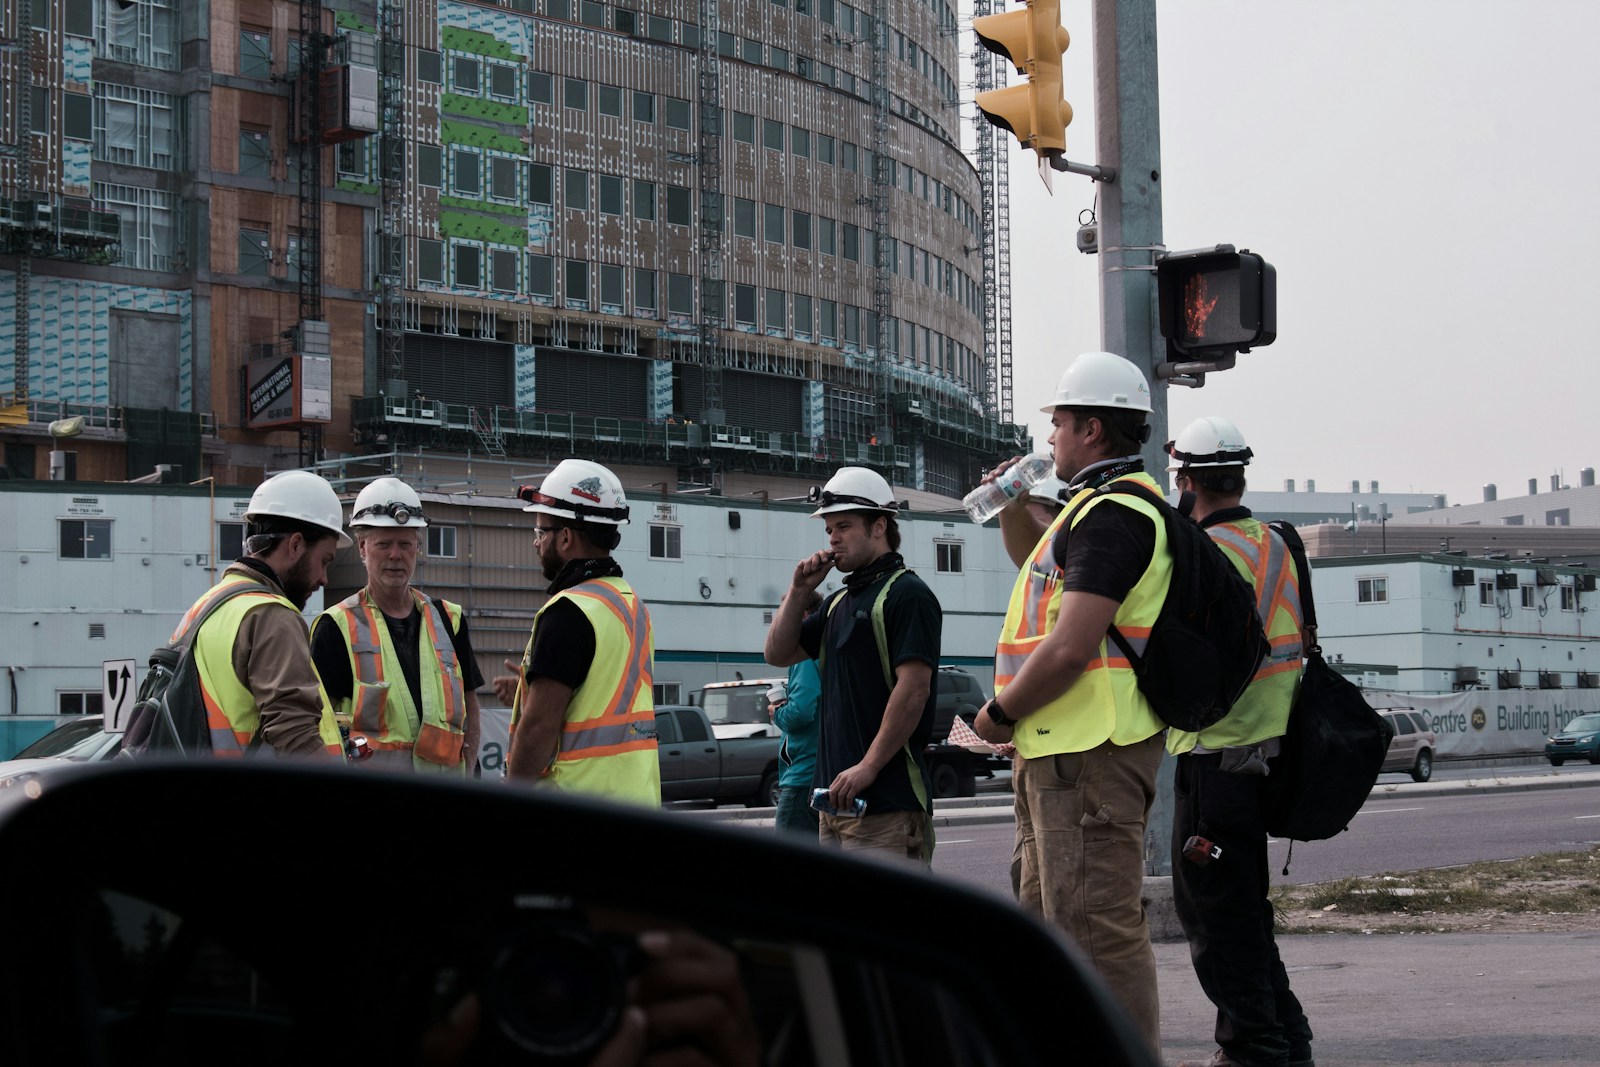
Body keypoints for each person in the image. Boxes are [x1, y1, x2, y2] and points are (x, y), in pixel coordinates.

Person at [972, 351, 1169, 1053]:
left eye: (1057, 423)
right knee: (1054, 921)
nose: (1048, 437)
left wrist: (996, 714)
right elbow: (1034, 564)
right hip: (1061, 746)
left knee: (1096, 930)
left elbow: (1069, 647)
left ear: (1090, 429)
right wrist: (1013, 504)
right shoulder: (1084, 510)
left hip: (1090, 748)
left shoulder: (1115, 515)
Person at [1164, 417, 1314, 1067]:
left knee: (1216, 920)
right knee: (1245, 913)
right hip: (1268, 756)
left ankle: (1256, 1048)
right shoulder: (1278, 541)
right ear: (1241, 474)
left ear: (1188, 481)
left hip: (1216, 755)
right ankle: (1287, 1038)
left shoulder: (1201, 552)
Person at [764, 466, 942, 865]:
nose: (833, 538)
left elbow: (914, 689)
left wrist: (868, 766)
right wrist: (797, 592)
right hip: (834, 803)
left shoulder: (907, 594)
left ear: (879, 525)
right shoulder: (838, 604)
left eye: (843, 526)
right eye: (828, 530)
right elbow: (777, 652)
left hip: (886, 801)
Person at [491, 459, 659, 805]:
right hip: (638, 802)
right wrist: (528, 689)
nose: (536, 544)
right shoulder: (630, 604)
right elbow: (598, 697)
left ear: (565, 538)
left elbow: (539, 728)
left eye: (540, 533)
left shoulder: (568, 612)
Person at [311, 477, 484, 774]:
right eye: (384, 544)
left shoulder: (448, 620)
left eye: (405, 544)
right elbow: (320, 724)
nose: (395, 555)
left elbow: (471, 707)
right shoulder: (336, 627)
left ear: (417, 547)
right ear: (363, 548)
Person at [179, 469, 350, 758]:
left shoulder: (208, 606)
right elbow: (296, 738)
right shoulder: (271, 616)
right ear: (296, 545)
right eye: (324, 561)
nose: (324, 579)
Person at [768, 591, 823, 836]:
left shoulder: (803, 655)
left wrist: (778, 712)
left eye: (783, 615)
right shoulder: (827, 647)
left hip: (802, 776)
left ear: (800, 614)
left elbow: (801, 711)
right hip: (823, 770)